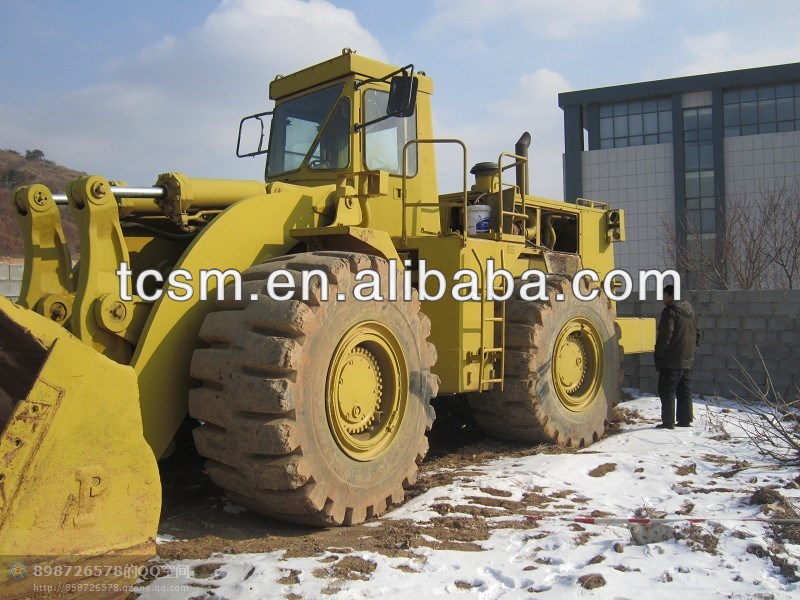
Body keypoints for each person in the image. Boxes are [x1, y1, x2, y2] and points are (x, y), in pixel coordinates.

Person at [654, 284, 700, 429]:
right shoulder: (690, 311)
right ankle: (685, 420)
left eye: (664, 295)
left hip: (672, 359)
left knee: (667, 389)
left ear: (670, 295)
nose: (663, 298)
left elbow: (666, 335)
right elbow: (697, 333)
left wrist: (660, 353)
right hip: (687, 358)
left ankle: (668, 422)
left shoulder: (670, 312)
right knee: (684, 390)